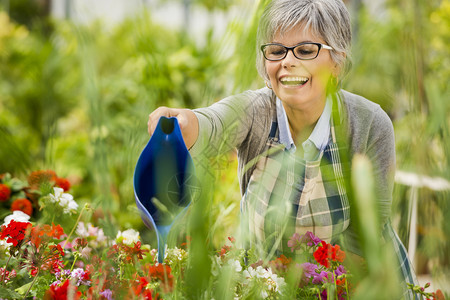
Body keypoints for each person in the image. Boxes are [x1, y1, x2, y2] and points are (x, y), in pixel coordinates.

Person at [148, 0, 419, 298]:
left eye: (305, 50)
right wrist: (180, 122)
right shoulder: (255, 113)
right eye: (277, 51)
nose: (288, 61)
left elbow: (365, 245)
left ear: (337, 60)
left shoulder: (368, 124)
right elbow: (211, 123)